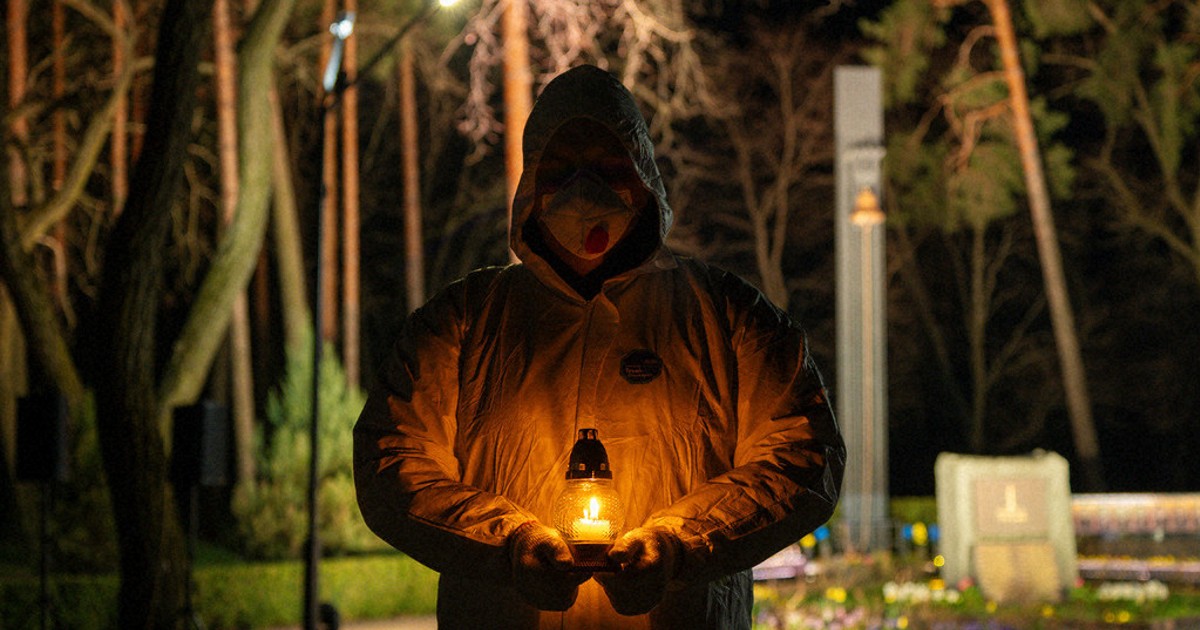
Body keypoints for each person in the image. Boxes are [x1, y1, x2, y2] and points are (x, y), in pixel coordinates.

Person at [354, 64, 845, 629]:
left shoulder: (727, 317)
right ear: (531, 183)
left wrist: (679, 544)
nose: (584, 190)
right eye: (562, 169)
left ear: (643, 175)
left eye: (609, 167)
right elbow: (392, 459)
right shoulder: (464, 321)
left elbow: (804, 455)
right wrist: (509, 544)